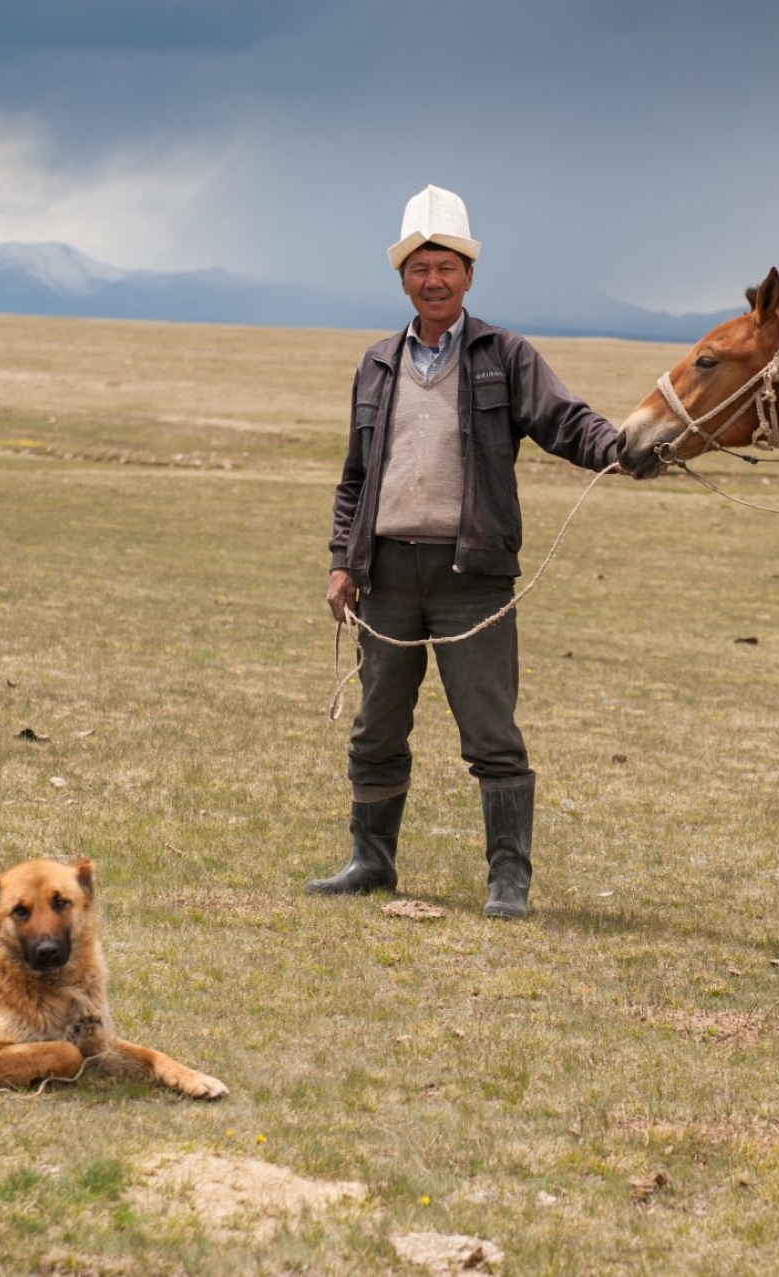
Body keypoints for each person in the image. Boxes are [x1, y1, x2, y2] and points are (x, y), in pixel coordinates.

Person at [313, 185, 623, 919]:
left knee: (490, 729)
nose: (434, 280)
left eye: (446, 266)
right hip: (385, 573)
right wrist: (340, 560)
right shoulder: (377, 364)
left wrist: (621, 448)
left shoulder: (505, 355)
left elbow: (565, 421)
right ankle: (370, 860)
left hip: (470, 574)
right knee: (376, 723)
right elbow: (356, 474)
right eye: (420, 268)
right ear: (402, 279)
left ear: (469, 275)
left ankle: (507, 880)